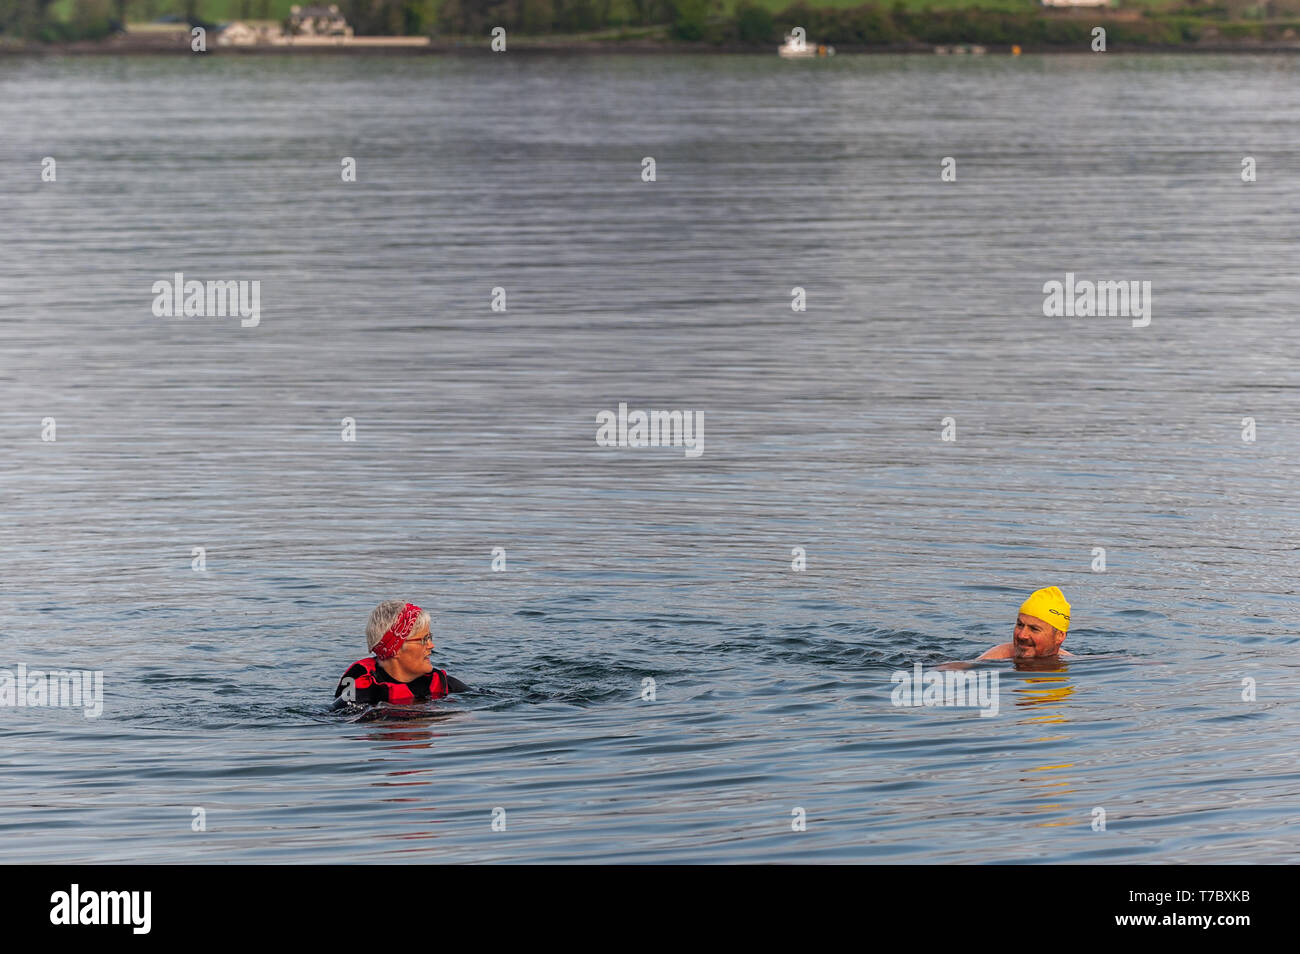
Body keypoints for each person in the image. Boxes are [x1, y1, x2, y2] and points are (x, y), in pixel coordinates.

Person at [333, 600, 470, 707]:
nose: (431, 645)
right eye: (423, 640)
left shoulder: (442, 682)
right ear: (396, 649)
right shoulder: (362, 693)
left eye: (430, 637)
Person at [977, 586, 1075, 661]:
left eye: (1034, 629)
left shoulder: (1073, 662)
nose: (1022, 635)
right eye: (1020, 625)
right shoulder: (998, 657)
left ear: (1059, 636)